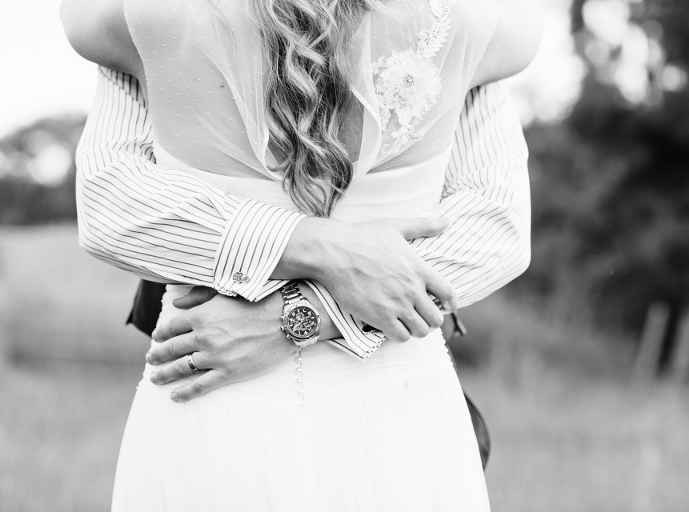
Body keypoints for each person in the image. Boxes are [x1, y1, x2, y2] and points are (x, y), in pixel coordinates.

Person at [61, 0, 541, 509]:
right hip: (394, 402)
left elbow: (111, 204)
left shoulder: (144, 17)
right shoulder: (474, 21)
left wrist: (294, 316)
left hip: (212, 395)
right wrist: (328, 249)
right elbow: (495, 226)